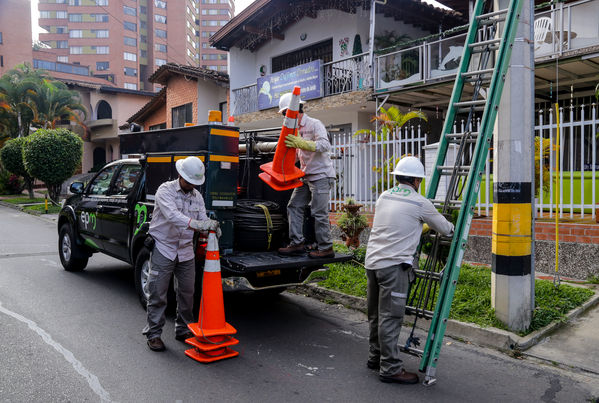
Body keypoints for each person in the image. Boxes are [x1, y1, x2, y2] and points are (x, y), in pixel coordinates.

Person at [365, 156, 454, 384]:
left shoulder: (384, 196)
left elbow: (396, 223)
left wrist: (417, 226)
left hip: (373, 262)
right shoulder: (420, 202)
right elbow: (446, 229)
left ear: (397, 178)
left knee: (375, 314)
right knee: (390, 317)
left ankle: (375, 357)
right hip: (393, 268)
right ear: (416, 180)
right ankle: (391, 368)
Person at [143, 156, 220, 352]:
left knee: (187, 293)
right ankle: (154, 334)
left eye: (195, 182)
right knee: (158, 292)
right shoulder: (165, 190)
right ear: (180, 175)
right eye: (189, 181)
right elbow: (172, 216)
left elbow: (203, 218)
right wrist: (197, 225)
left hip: (186, 250)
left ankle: (183, 329)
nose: (192, 185)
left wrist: (211, 227)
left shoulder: (197, 197)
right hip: (164, 247)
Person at [277, 92, 336, 259]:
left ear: (293, 111)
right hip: (305, 175)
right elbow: (296, 155)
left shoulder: (314, 124)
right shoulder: (293, 129)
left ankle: (326, 248)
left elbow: (325, 145)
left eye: (284, 114)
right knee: (294, 206)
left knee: (318, 212)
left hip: (321, 176)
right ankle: (297, 243)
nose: (284, 118)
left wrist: (303, 143)